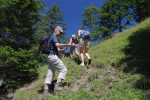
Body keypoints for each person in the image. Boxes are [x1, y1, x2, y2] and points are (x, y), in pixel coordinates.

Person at [43, 26, 72, 95]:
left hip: (50, 57)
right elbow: (57, 45)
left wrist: (64, 50)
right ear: (56, 30)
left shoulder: (53, 37)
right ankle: (57, 87)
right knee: (63, 70)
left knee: (50, 73)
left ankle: (45, 90)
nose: (60, 34)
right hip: (53, 56)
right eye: (60, 32)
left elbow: (58, 49)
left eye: (61, 33)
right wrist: (66, 44)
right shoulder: (54, 36)